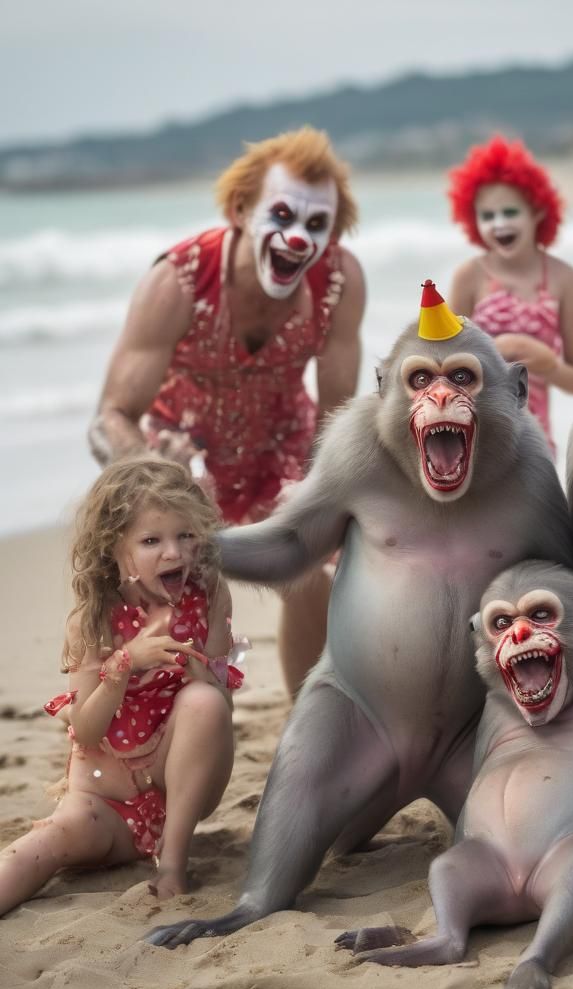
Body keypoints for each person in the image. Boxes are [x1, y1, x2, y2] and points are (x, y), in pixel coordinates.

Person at [88, 127, 365, 696]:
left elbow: (335, 418)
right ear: (241, 210)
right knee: (169, 580)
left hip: (281, 444)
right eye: (281, 215)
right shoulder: (179, 280)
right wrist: (151, 471)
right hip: (180, 449)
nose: (297, 238)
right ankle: (162, 719)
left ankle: (309, 719)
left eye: (316, 224)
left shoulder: (338, 281)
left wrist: (317, 487)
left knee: (312, 568)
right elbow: (109, 416)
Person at [0, 456, 242, 916]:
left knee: (205, 701)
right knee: (42, 846)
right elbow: (87, 730)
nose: (173, 553)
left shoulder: (209, 596)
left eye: (186, 535)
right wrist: (126, 663)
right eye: (151, 540)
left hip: (181, 796)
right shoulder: (94, 620)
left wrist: (194, 658)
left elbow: (221, 707)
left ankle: (173, 863)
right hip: (103, 805)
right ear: (113, 548)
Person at [447, 135, 573, 455]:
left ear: (538, 211)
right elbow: (445, 367)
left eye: (510, 212)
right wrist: (493, 354)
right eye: (487, 216)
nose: (499, 224)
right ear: (471, 220)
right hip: (477, 436)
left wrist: (549, 364)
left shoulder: (564, 278)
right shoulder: (468, 276)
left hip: (536, 440)